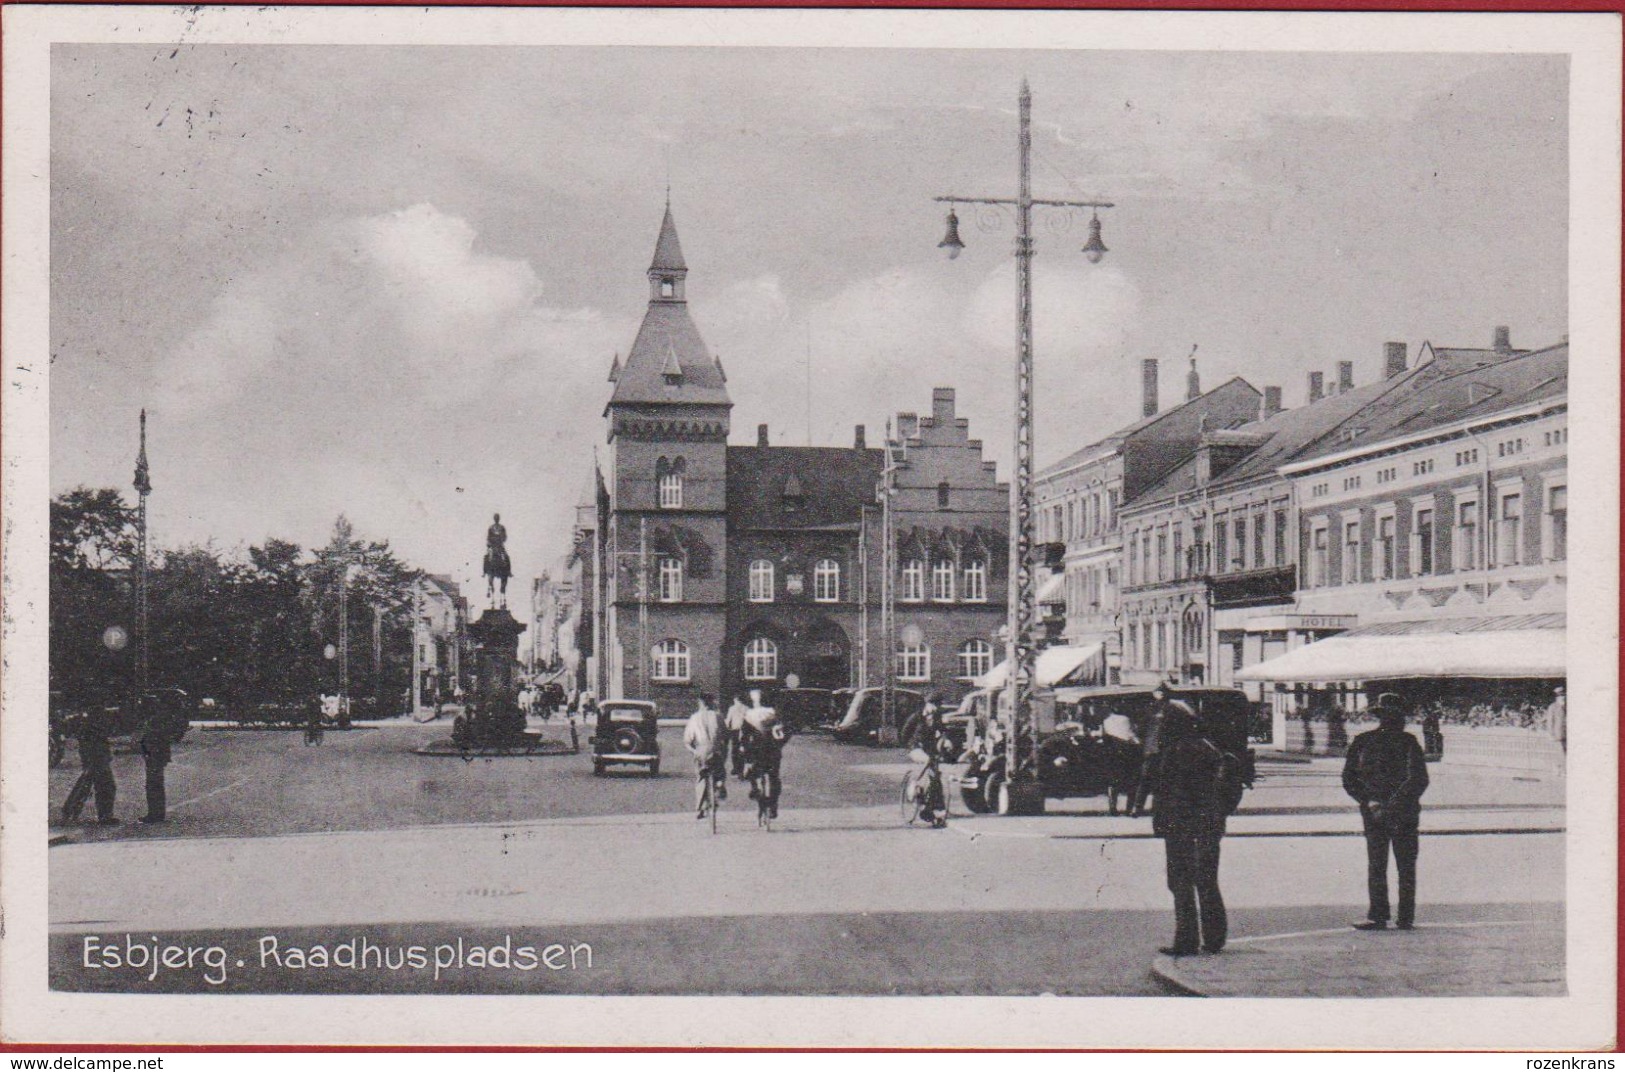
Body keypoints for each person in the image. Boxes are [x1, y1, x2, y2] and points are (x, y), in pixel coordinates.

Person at [1143, 701, 1232, 956]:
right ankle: (1214, 937)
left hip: (1181, 826)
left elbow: (1168, 792)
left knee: (1180, 882)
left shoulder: (1175, 752)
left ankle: (1186, 939)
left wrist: (1162, 822)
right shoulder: (1209, 748)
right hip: (1209, 825)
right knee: (1207, 880)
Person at [1342, 693, 1430, 931]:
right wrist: (1393, 804)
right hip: (1404, 813)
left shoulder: (1363, 741)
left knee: (1378, 864)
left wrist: (1372, 802)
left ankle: (1379, 915)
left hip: (1374, 813)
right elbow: (1418, 780)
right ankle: (1404, 917)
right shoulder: (1408, 742)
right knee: (1405, 866)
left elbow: (1349, 779)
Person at [62, 705, 118, 826]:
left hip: (96, 758)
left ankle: (69, 811)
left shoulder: (89, 723)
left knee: (87, 785)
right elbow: (96, 741)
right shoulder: (94, 724)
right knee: (104, 786)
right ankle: (104, 816)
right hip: (97, 758)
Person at [740, 691, 787, 820]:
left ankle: (755, 789)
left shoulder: (749, 715)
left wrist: (743, 749)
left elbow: (744, 736)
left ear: (754, 701)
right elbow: (783, 733)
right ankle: (773, 805)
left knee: (750, 771)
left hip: (757, 751)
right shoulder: (773, 714)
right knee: (774, 777)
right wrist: (779, 746)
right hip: (773, 751)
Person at [682, 694, 728, 819]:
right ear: (711, 703)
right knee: (720, 771)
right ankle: (719, 783)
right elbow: (725, 735)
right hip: (716, 751)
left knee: (701, 777)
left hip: (701, 752)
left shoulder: (694, 718)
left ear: (700, 704)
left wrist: (693, 751)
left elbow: (687, 740)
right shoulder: (718, 716)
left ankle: (700, 808)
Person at [907, 693, 949, 826]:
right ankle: (915, 783)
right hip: (916, 748)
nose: (936, 708)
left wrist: (946, 741)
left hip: (930, 751)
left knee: (935, 777)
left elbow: (943, 732)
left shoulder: (937, 718)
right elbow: (905, 732)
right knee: (927, 762)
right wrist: (910, 746)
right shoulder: (917, 716)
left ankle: (931, 808)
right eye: (934, 705)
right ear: (927, 704)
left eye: (938, 705)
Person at [138, 694, 172, 824]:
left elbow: (155, 739)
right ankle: (156, 813)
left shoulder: (155, 720)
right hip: (155, 756)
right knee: (155, 784)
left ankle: (155, 814)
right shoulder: (157, 718)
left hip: (155, 756)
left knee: (153, 785)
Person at [725, 693, 751, 778]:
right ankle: (742, 768)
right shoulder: (746, 708)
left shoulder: (732, 709)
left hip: (735, 731)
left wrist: (726, 729)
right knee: (743, 749)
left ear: (735, 700)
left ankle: (736, 768)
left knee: (735, 750)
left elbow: (728, 720)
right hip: (745, 731)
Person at [1544, 686, 1566, 755]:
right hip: (1558, 735)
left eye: (1563, 695)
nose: (1562, 697)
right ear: (1556, 697)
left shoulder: (1568, 705)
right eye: (1560, 695)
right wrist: (1551, 734)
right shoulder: (1552, 707)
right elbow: (1550, 722)